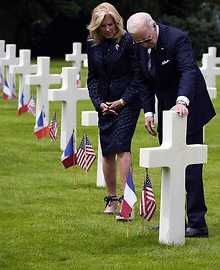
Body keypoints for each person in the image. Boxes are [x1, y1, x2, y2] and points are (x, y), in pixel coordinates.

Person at [127, 12, 216, 238]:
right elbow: (142, 80)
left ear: (154, 26)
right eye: (139, 41)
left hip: (190, 105)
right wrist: (148, 111)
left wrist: (182, 101)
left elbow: (188, 71)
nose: (144, 44)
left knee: (190, 167)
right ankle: (173, 218)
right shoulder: (138, 44)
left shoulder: (177, 39)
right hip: (166, 108)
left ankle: (197, 223)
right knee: (169, 164)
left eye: (147, 39)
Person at [86, 2, 142, 220]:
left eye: (110, 24)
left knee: (122, 148)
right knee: (107, 150)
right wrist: (99, 102)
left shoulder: (129, 41)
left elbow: (138, 75)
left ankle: (128, 203)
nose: (108, 29)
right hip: (105, 105)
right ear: (96, 28)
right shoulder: (93, 44)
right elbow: (92, 77)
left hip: (127, 102)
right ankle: (112, 199)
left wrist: (123, 101)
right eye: (103, 26)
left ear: (117, 21)